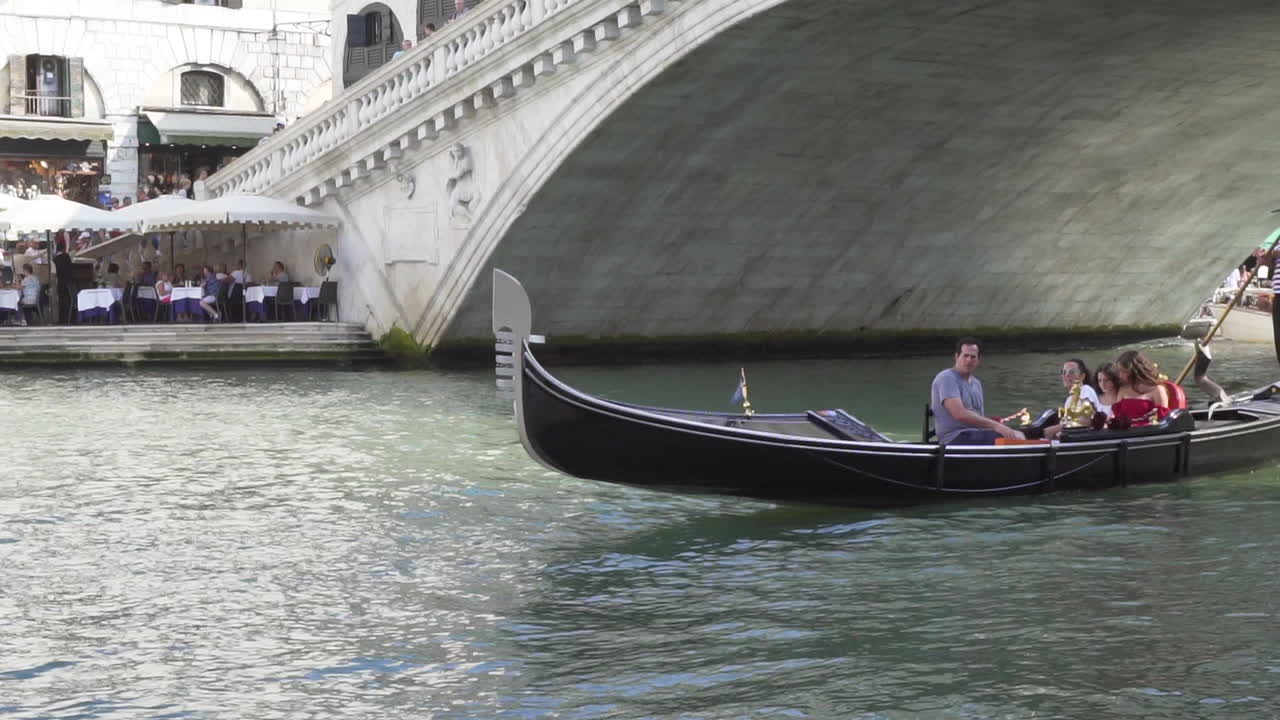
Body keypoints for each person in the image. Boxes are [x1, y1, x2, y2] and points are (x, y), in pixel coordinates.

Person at [930, 337, 1024, 445]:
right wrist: (996, 426)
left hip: (975, 433)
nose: (969, 360)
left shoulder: (976, 383)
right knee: (1014, 437)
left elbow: (978, 416)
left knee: (1022, 433)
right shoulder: (947, 378)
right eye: (965, 356)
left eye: (973, 357)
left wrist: (996, 424)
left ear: (978, 360)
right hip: (954, 438)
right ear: (956, 357)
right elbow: (959, 414)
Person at [1110, 350, 1170, 428]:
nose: (1120, 375)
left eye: (1123, 371)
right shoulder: (1123, 389)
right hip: (1125, 431)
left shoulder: (1157, 390)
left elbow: (1162, 420)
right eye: (1119, 371)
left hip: (1147, 431)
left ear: (1135, 371)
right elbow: (1117, 416)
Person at [52, 239, 73, 324]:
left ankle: (62, 319)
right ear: (63, 249)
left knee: (62, 301)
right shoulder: (67, 257)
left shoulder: (55, 259)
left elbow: (55, 273)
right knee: (68, 300)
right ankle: (69, 318)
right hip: (69, 281)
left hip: (60, 282)